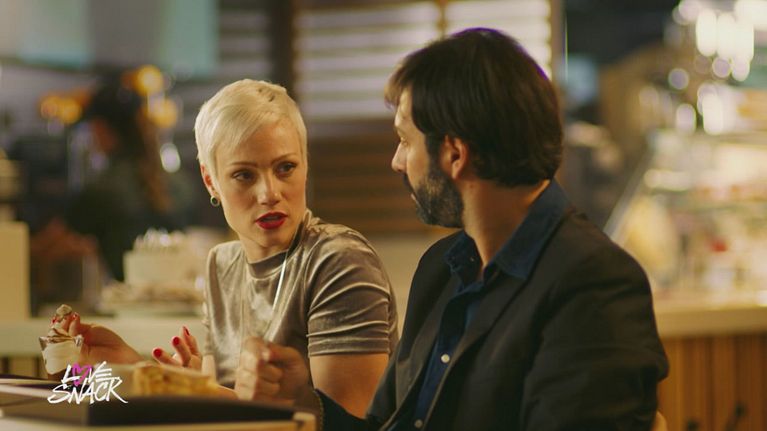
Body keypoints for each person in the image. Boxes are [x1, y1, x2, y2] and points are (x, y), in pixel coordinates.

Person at [233, 28, 669, 430]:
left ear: (455, 155)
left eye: (405, 141)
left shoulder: (593, 283)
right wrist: (304, 401)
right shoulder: (442, 269)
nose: (396, 162)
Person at [61, 79, 398, 417]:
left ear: (305, 166)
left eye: (285, 168)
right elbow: (226, 408)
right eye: (244, 175)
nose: (269, 193)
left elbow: (349, 424)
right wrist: (136, 369)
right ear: (211, 181)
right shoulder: (221, 263)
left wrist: (201, 392)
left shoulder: (338, 260)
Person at [64, 77, 194, 281]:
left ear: (100, 128)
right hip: (179, 295)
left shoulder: (102, 190)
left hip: (127, 298)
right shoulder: (180, 184)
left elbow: (58, 245)